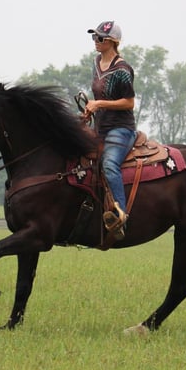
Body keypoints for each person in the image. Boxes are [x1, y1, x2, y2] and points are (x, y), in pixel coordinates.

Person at [83, 20, 137, 238]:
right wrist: (89, 110)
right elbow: (99, 97)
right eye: (94, 37)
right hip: (100, 127)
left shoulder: (122, 69)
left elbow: (129, 102)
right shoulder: (97, 62)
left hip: (121, 129)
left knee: (109, 164)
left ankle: (120, 216)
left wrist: (100, 104)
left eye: (100, 38)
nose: (95, 41)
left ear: (112, 42)